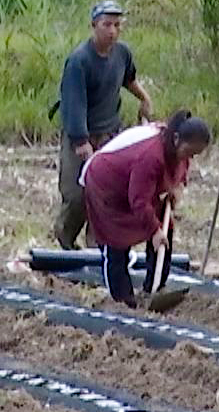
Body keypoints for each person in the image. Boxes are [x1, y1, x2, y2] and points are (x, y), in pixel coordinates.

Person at [81, 110, 211, 312]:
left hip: (133, 186)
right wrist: (154, 231)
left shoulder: (178, 150)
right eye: (190, 152)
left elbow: (180, 171)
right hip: (107, 185)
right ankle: (122, 301)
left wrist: (176, 189)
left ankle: (155, 287)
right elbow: (139, 201)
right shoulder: (150, 156)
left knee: (165, 229)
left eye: (195, 154)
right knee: (117, 243)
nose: (191, 157)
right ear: (176, 139)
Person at [54, 0, 155, 249]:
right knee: (77, 193)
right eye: (106, 24)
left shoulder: (122, 53)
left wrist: (144, 98)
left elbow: (128, 79)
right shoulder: (79, 60)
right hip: (83, 134)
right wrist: (81, 142)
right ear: (94, 26)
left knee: (106, 195)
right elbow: (73, 103)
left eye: (117, 25)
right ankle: (65, 240)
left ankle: (97, 246)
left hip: (111, 133)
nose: (112, 31)